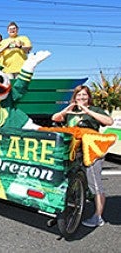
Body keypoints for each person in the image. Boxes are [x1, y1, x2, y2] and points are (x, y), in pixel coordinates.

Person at [52, 85, 113, 228]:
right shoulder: (71, 111)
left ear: (88, 97)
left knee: (95, 183)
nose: (81, 98)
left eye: (84, 95)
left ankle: (98, 217)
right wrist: (68, 109)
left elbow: (108, 121)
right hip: (74, 152)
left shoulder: (94, 110)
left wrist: (87, 111)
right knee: (73, 179)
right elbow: (55, 118)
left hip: (92, 151)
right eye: (78, 95)